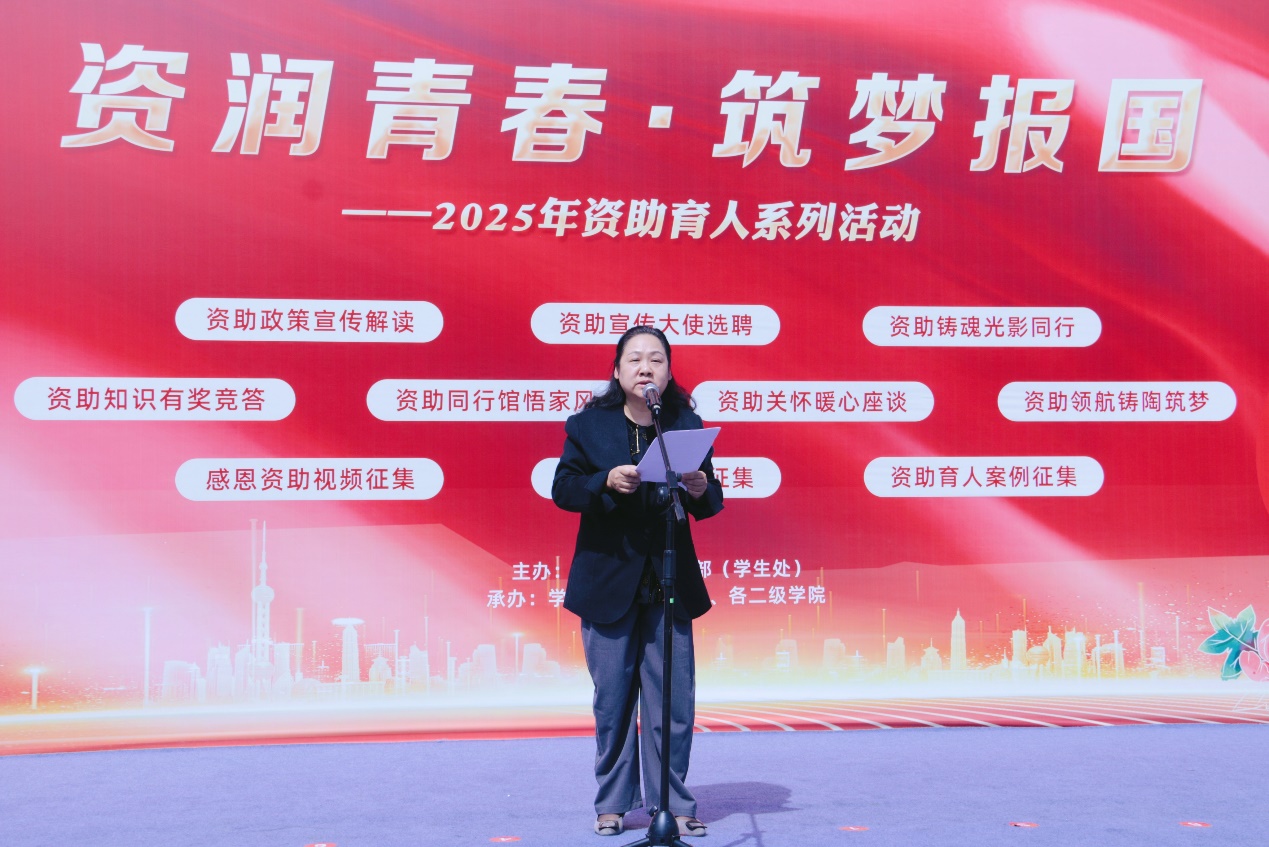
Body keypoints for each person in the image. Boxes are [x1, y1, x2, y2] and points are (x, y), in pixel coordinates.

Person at [553, 325, 724, 838]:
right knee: (613, 702)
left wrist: (700, 486)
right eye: (634, 359)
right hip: (608, 579)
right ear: (617, 371)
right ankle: (612, 803)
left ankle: (672, 803)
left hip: (668, 580)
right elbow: (563, 489)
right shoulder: (588, 426)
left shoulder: (685, 424)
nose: (645, 367)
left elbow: (711, 502)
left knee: (672, 703)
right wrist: (604, 481)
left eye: (656, 359)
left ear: (668, 372)